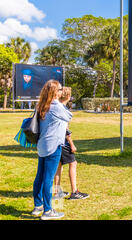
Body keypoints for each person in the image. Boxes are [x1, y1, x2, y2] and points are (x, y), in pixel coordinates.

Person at [31, 80, 72, 220]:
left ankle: (38, 206)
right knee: (48, 178)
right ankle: (48, 211)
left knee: (40, 177)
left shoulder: (41, 105)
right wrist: (63, 102)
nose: (62, 91)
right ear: (55, 91)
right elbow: (69, 116)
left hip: (42, 145)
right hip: (53, 146)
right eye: (60, 89)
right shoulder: (56, 106)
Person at [53, 87, 89, 200]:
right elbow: (65, 130)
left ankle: (57, 191)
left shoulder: (54, 107)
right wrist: (71, 144)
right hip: (62, 141)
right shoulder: (62, 109)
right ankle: (74, 192)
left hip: (54, 141)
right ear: (68, 97)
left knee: (58, 166)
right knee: (73, 163)